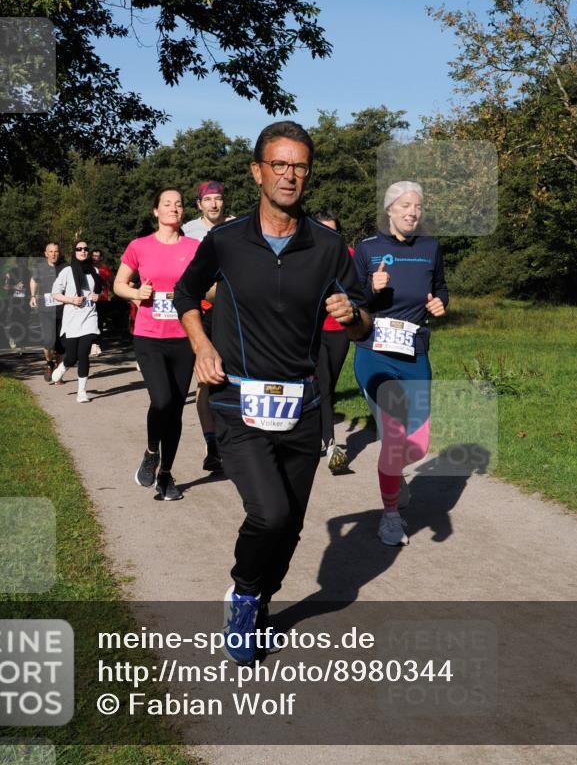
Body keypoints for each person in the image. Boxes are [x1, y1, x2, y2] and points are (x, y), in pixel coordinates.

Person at [174, 121, 371, 664]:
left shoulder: (329, 246)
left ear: (308, 174)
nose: (290, 175)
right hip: (237, 402)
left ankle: (261, 594)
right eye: (279, 165)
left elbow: (362, 325)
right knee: (271, 514)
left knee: (292, 524)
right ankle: (242, 592)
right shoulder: (227, 240)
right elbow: (186, 291)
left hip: (303, 405)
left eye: (300, 165)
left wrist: (352, 314)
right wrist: (200, 345)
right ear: (257, 171)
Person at [353, 181, 448, 546]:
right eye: (405, 205)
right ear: (389, 209)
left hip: (415, 352)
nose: (412, 212)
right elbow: (349, 299)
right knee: (394, 437)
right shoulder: (367, 249)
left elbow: (440, 288)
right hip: (374, 352)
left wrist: (441, 303)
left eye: (418, 206)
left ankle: (394, 474)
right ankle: (390, 516)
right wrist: (371, 289)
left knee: (419, 444)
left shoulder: (430, 247)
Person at [113, 189, 200, 501]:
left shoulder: (195, 247)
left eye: (178, 204)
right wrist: (137, 295)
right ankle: (151, 453)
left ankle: (165, 475)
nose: (174, 208)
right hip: (149, 336)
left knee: (175, 410)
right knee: (162, 400)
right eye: (167, 203)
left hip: (184, 337)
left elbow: (210, 285)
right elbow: (118, 284)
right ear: (155, 211)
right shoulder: (140, 246)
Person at [183, 181, 233, 473]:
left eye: (218, 198)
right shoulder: (188, 231)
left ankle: (236, 440)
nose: (214, 204)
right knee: (205, 379)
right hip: (201, 314)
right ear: (199, 204)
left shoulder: (238, 227)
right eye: (208, 200)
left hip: (231, 313)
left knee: (233, 376)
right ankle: (211, 444)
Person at [312, 211, 353, 474]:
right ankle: (331, 446)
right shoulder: (306, 256)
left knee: (329, 388)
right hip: (312, 333)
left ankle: (315, 432)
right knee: (324, 386)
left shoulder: (348, 254)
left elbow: (359, 290)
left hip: (340, 331)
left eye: (334, 231)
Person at [50, 240, 102, 402]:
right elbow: (55, 293)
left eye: (86, 249)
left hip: (89, 317)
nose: (83, 251)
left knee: (83, 354)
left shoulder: (94, 271)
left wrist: (98, 296)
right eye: (79, 249)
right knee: (72, 356)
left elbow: (100, 292)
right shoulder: (67, 271)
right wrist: (71, 300)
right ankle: (64, 366)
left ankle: (82, 392)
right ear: (74, 251)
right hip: (72, 318)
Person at [30, 242, 65, 381]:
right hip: (45, 310)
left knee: (61, 344)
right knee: (48, 341)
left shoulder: (65, 267)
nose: (53, 254)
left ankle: (59, 373)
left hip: (63, 310)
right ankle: (49, 363)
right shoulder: (40, 268)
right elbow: (33, 280)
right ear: (46, 254)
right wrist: (33, 296)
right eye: (50, 251)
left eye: (56, 251)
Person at [90, 249, 113, 356]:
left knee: (99, 322)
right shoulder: (88, 268)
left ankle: (97, 344)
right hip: (90, 299)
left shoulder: (105, 269)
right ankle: (90, 343)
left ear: (101, 258)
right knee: (91, 321)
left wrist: (102, 278)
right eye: (93, 256)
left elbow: (110, 282)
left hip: (102, 299)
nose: (95, 258)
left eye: (97, 256)